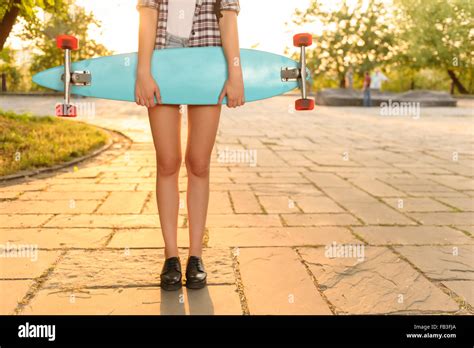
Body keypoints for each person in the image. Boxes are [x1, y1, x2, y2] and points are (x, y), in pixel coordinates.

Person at [135, 0, 243, 291]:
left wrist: (235, 73)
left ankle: (196, 256)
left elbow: (228, 18)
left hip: (207, 65)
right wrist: (143, 71)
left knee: (199, 163)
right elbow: (147, 13)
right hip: (161, 61)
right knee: (168, 162)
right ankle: (171, 256)